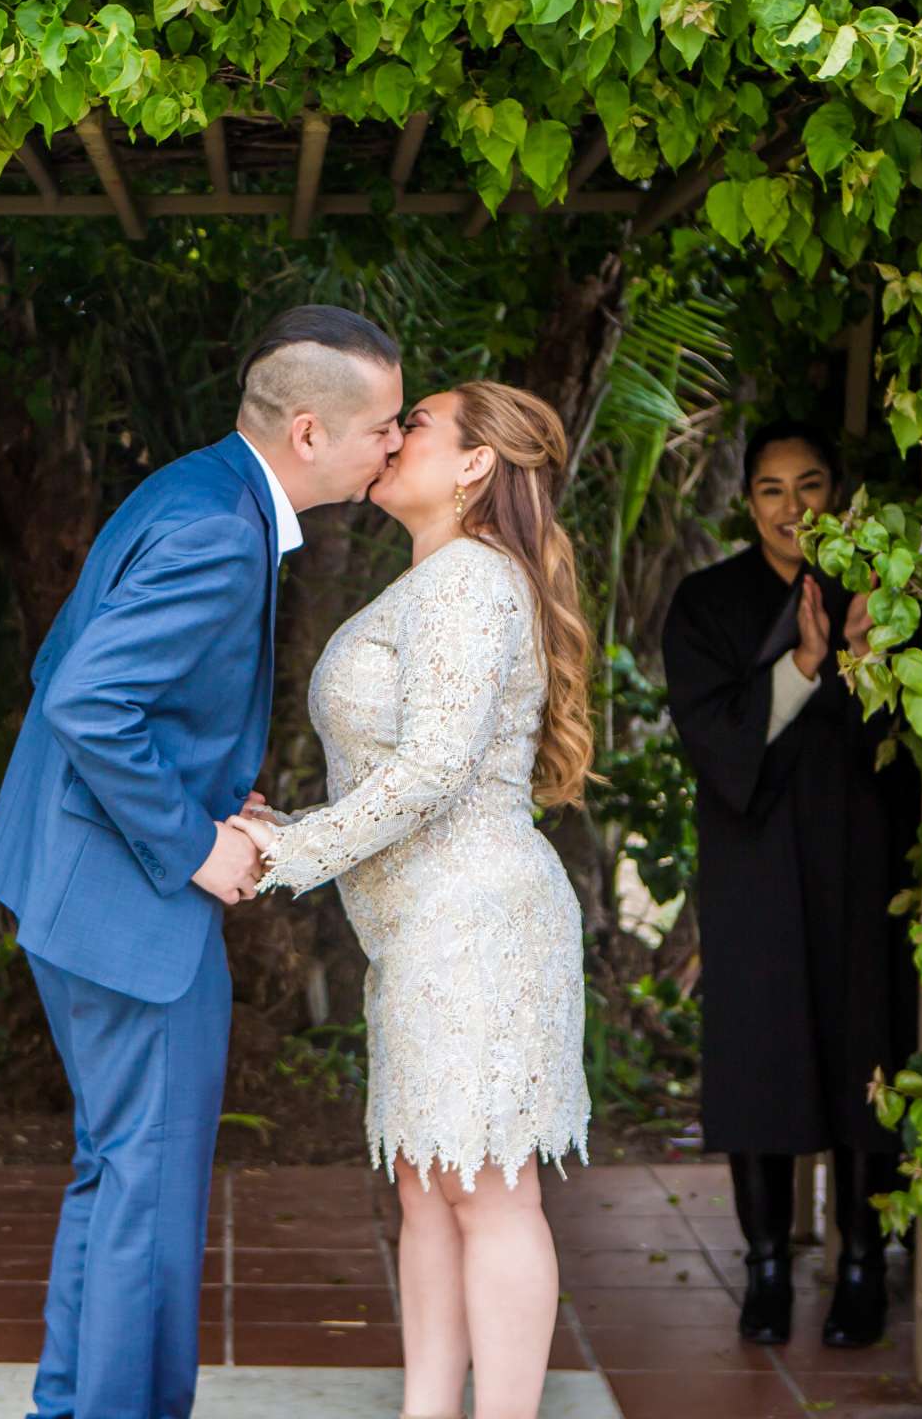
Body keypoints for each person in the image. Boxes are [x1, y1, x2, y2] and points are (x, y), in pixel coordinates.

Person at [0, 305, 405, 1419]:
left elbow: (72, 660)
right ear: (309, 430)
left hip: (74, 880)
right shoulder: (221, 529)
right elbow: (85, 696)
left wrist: (209, 793)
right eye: (385, 428)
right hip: (127, 902)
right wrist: (194, 840)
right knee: (149, 1195)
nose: (395, 448)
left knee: (117, 1174)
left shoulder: (197, 488)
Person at [229, 382, 594, 1419]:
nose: (392, 438)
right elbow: (399, 769)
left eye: (417, 424)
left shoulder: (472, 578)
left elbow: (434, 770)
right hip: (425, 931)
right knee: (429, 1184)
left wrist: (286, 851)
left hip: (478, 923)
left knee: (486, 1186)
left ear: (477, 464)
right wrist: (289, 825)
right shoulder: (435, 580)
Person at [659, 418, 919, 1350]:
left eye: (809, 486)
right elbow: (713, 739)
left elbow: (913, 734)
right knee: (761, 1051)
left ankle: (860, 1265)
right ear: (748, 503)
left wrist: (868, 652)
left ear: (836, 495)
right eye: (772, 490)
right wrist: (807, 665)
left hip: (859, 856)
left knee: (867, 1047)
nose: (791, 508)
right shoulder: (707, 604)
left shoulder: (877, 594)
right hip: (757, 861)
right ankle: (766, 1267)